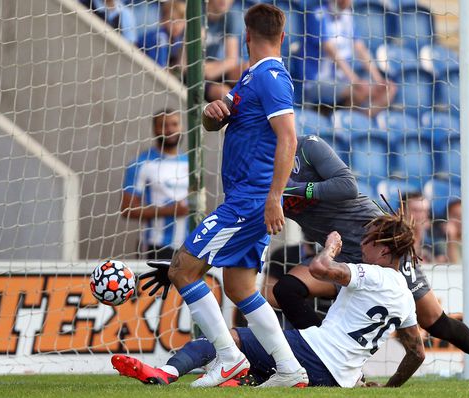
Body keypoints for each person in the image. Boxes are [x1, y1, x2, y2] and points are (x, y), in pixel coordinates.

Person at [137, 4, 307, 388]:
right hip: (249, 196)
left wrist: (274, 197)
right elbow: (216, 121)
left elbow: (289, 138)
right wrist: (213, 115)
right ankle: (289, 369)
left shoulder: (271, 77)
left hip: (251, 198)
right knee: (239, 287)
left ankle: (229, 358)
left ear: (246, 37)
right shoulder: (250, 79)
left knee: (182, 269)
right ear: (283, 36)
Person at [268, 136, 469, 389]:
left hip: (379, 242)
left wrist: (297, 188)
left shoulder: (308, 147)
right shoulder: (261, 170)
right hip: (339, 250)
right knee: (286, 289)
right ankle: (329, 363)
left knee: (434, 321)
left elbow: (347, 186)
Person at [112, 215, 426, 388]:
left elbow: (320, 268)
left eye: (369, 240)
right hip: (338, 378)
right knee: (246, 368)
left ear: (384, 251)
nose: (363, 244)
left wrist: (331, 247)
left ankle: (164, 373)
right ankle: (239, 381)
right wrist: (391, 388)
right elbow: (416, 352)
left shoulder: (372, 274)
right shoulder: (406, 298)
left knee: (225, 341)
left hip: (314, 353)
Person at [302, 0, 396, 116]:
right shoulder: (318, 13)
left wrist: (379, 80)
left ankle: (357, 121)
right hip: (315, 80)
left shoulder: (348, 15)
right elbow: (330, 50)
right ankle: (346, 124)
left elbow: (360, 49)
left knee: (388, 89)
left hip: (341, 79)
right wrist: (355, 81)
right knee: (359, 91)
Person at [121, 109, 190, 260]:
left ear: (182, 127)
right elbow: (127, 210)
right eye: (164, 125)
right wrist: (169, 210)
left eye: (174, 124)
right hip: (155, 244)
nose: (170, 129)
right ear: (155, 129)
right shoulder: (140, 163)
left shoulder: (191, 163)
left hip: (189, 245)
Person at [203, 0, 244, 101]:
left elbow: (232, 59)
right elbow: (187, 64)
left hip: (211, 70)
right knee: (225, 94)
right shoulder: (199, 13)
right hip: (192, 75)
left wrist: (212, 71)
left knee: (247, 70)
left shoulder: (228, 17)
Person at [137, 0, 185, 69]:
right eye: (172, 20)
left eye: (180, 21)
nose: (176, 25)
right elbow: (159, 67)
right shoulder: (161, 37)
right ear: (163, 20)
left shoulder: (177, 41)